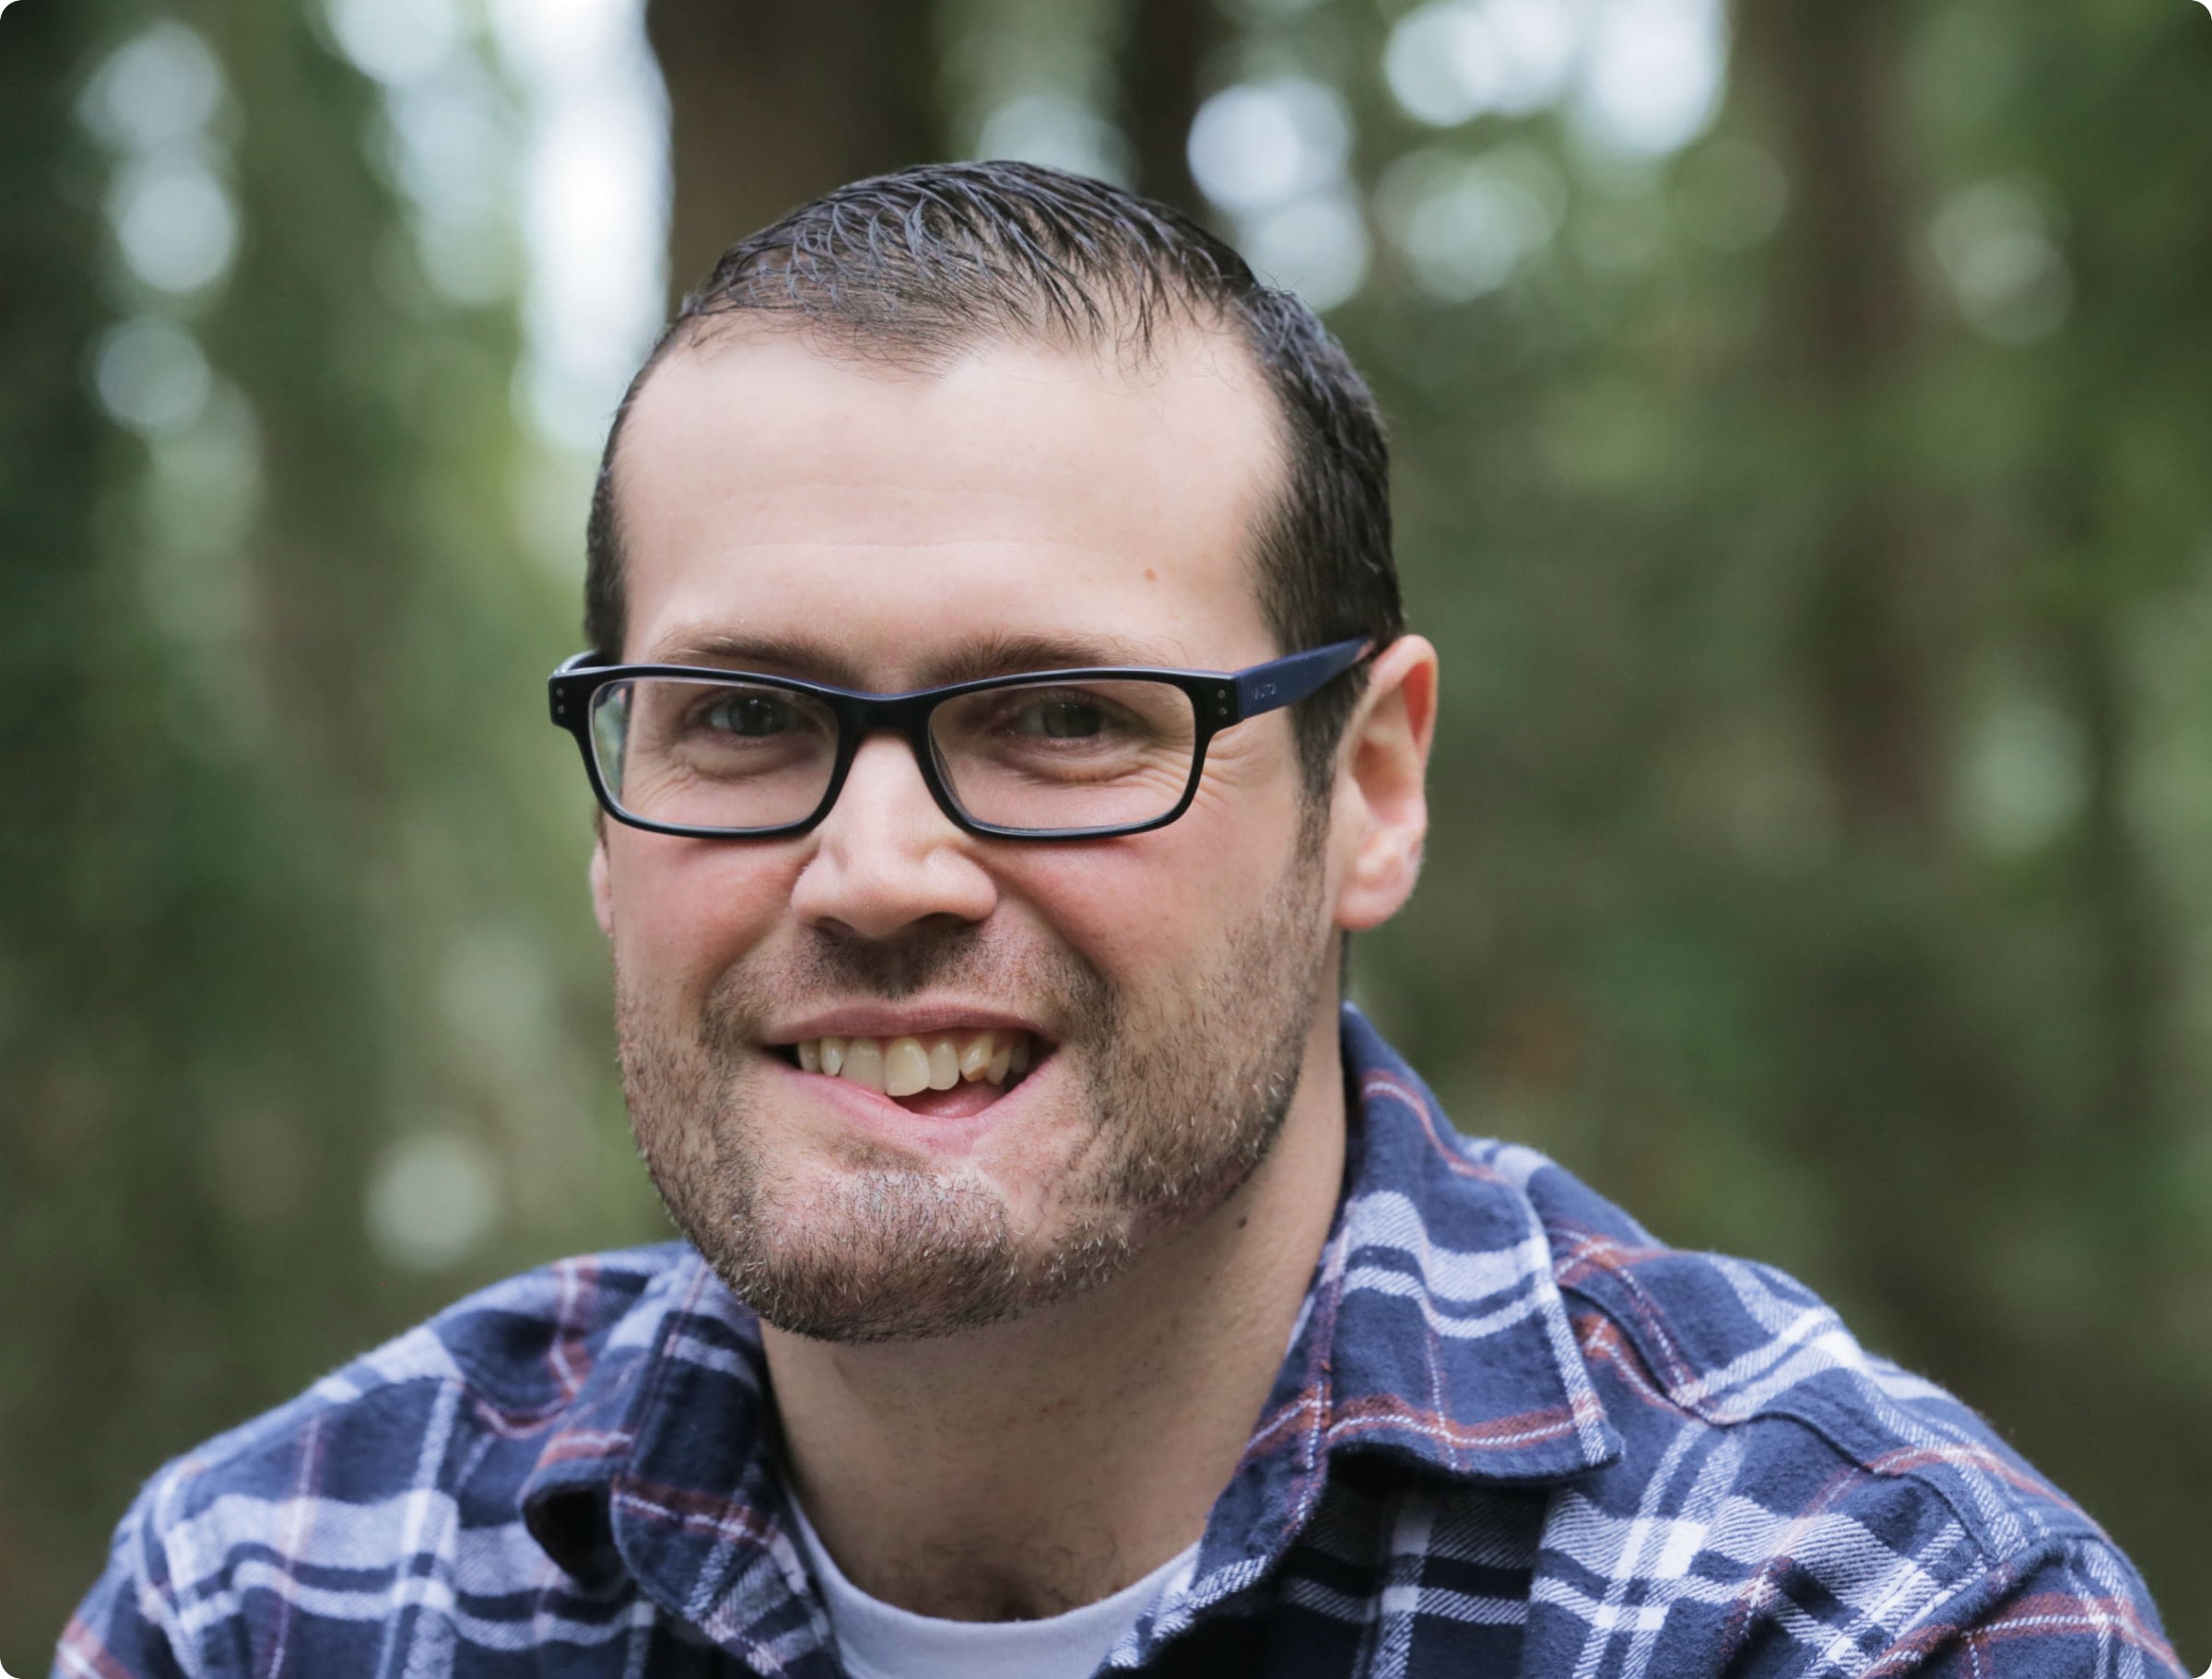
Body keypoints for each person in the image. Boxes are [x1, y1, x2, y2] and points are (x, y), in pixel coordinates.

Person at [58, 161, 2183, 1679]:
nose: (879, 872)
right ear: (610, 818)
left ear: (1366, 786)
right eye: (735, 717)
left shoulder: (1852, 1612)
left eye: (1063, 717)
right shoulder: (280, 1591)